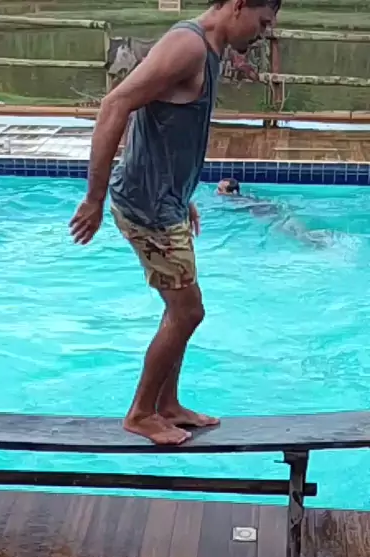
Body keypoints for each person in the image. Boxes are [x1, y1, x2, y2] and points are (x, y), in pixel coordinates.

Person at [70, 0, 280, 446]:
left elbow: (164, 124)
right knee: (188, 311)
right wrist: (93, 198)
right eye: (262, 22)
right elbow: (116, 104)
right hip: (147, 207)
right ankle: (141, 413)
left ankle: (167, 404)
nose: (262, 33)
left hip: (167, 202)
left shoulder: (210, 48)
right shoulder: (187, 46)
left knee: (181, 311)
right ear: (238, 5)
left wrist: (182, 195)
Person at [217, 178, 334, 246]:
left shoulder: (240, 202)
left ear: (233, 193)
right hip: (287, 217)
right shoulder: (250, 197)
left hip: (278, 222)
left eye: (220, 190)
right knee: (306, 238)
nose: (217, 192)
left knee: (304, 242)